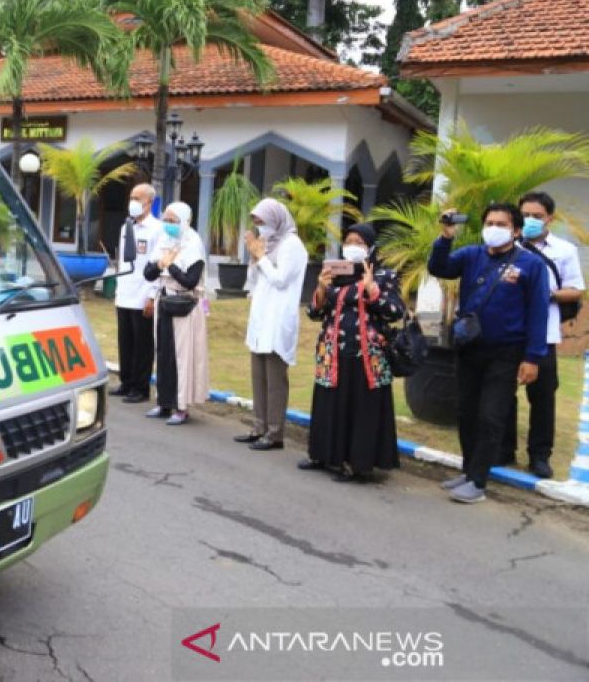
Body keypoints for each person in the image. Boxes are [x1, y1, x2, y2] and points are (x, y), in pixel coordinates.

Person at [428, 203, 550, 504]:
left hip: (506, 352)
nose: (494, 228)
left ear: (516, 230)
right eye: (490, 222)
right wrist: (445, 237)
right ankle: (469, 470)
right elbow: (439, 268)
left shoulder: (530, 265)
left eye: (502, 223)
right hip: (470, 348)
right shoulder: (472, 255)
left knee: (490, 416)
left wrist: (533, 357)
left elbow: (538, 313)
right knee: (466, 412)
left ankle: (479, 482)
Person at [301, 223, 405, 480]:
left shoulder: (384, 276)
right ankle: (324, 455)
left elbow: (396, 311)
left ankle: (357, 463)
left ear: (371, 247)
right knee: (330, 402)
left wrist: (371, 288)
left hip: (367, 355)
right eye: (348, 241)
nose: (353, 246)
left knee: (361, 407)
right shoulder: (335, 273)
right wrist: (322, 288)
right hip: (332, 351)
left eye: (359, 242)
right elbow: (314, 314)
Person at [500, 192, 585, 478]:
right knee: (503, 392)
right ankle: (503, 448)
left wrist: (545, 294)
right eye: (525, 215)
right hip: (509, 331)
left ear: (550, 217)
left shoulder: (564, 250)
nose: (530, 221)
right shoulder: (507, 245)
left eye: (537, 216)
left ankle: (539, 456)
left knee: (543, 397)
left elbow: (576, 290)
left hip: (543, 334)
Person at [235, 198, 308, 451]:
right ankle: (259, 426)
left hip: (278, 320)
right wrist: (255, 258)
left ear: (276, 219)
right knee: (259, 376)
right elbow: (254, 281)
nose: (260, 227)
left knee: (275, 380)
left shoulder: (293, 246)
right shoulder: (267, 244)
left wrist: (261, 257)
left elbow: (280, 279)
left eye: (262, 222)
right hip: (261, 317)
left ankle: (275, 433)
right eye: (256, 222)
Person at [142, 202, 209, 424]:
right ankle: (163, 403)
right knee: (163, 355)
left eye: (173, 221)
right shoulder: (163, 240)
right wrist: (161, 263)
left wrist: (170, 266)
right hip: (164, 303)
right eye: (166, 220)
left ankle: (181, 408)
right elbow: (149, 273)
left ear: (184, 221)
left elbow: (190, 281)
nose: (168, 225)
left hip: (184, 306)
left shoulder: (193, 244)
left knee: (181, 357)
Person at [112, 183, 162, 404]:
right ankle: (126, 382)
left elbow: (157, 266)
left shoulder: (157, 229)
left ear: (149, 203)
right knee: (125, 342)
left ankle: (141, 388)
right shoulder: (126, 227)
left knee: (142, 345)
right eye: (131, 197)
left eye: (138, 198)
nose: (133, 202)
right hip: (125, 292)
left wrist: (152, 296)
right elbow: (123, 262)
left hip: (143, 294)